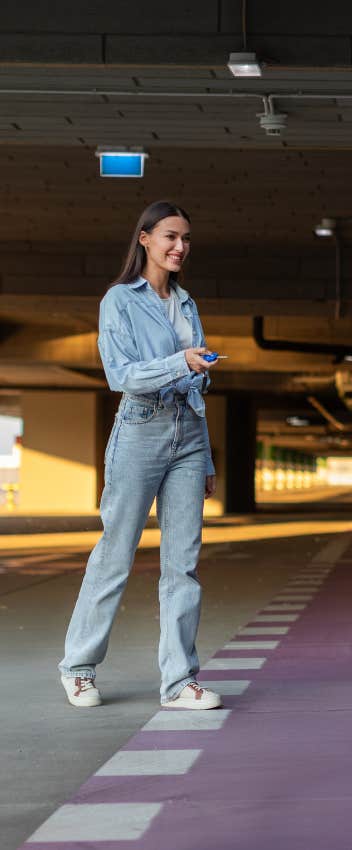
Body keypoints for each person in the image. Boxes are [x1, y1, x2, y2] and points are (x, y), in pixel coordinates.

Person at [58, 200, 222, 710]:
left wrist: (208, 458)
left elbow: (194, 384)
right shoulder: (120, 300)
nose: (180, 247)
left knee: (184, 564)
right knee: (115, 553)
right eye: (171, 236)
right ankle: (79, 668)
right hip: (140, 429)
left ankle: (179, 683)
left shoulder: (187, 302)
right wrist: (181, 361)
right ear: (145, 239)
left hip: (189, 434)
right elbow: (121, 375)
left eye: (187, 239)